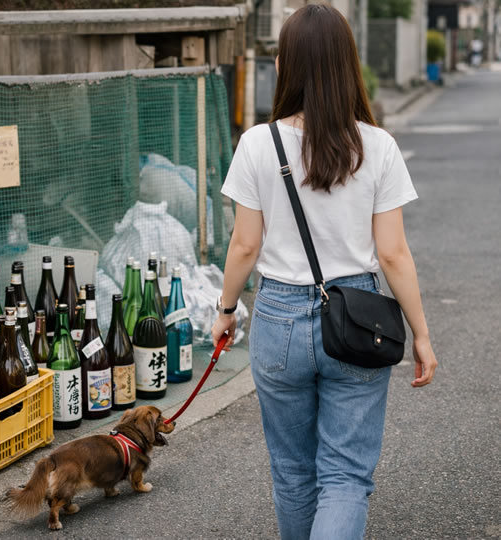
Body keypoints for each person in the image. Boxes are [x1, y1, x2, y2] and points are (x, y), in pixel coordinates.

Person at [211, 5, 438, 540]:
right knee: (345, 477)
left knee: (293, 474)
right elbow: (393, 255)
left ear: (287, 64)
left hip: (279, 318)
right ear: (347, 62)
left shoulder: (256, 144)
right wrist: (422, 335)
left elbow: (245, 245)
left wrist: (225, 311)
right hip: (359, 318)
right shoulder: (376, 146)